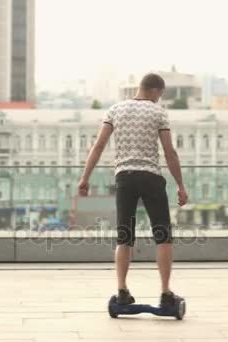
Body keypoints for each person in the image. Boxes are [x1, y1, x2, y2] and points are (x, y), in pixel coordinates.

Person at [78, 73, 188, 308]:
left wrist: (84, 178)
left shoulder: (114, 110)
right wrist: (180, 185)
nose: (159, 100)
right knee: (163, 236)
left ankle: (122, 291)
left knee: (124, 237)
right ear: (156, 91)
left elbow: (98, 146)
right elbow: (170, 153)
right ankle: (166, 294)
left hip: (124, 178)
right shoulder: (158, 112)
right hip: (151, 177)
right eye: (160, 95)